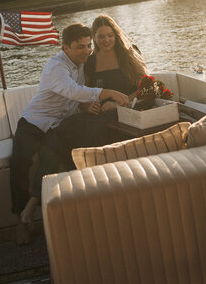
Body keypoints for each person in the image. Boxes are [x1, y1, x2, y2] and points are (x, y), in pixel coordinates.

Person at [10, 22, 130, 244]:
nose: (86, 51)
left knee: (57, 157)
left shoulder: (85, 63)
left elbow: (79, 98)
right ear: (65, 48)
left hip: (59, 124)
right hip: (34, 123)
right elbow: (73, 91)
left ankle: (63, 214)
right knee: (19, 161)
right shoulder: (56, 67)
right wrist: (110, 93)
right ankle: (21, 222)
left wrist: (86, 106)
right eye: (79, 47)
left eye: (87, 46)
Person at [49, 14, 147, 167]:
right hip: (101, 112)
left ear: (116, 34)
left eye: (110, 35)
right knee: (66, 126)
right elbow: (82, 92)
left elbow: (146, 86)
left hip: (129, 109)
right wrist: (87, 106)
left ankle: (99, 166)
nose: (106, 40)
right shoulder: (90, 61)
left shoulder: (130, 53)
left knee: (97, 131)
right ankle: (71, 171)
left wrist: (118, 104)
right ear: (94, 37)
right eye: (101, 36)